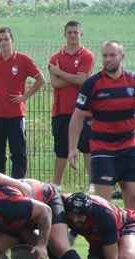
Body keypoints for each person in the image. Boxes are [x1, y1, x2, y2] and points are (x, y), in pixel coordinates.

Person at [69, 40, 135, 209]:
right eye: (105, 55)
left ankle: (129, 233)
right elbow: (78, 117)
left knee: (133, 198)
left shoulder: (132, 81)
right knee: (104, 205)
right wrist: (72, 148)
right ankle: (108, 234)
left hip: (129, 148)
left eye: (112, 55)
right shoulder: (92, 84)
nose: (108, 59)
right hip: (103, 149)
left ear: (122, 57)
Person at [0, 27, 45, 179]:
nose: (3, 42)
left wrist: (24, 96)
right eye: (0, 40)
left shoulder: (23, 60)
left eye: (6, 39)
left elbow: (41, 79)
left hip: (15, 113)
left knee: (18, 151)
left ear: (12, 40)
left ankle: (18, 182)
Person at [48, 21, 95, 191]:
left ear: (81, 34)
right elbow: (54, 84)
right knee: (61, 148)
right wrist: (71, 78)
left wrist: (60, 73)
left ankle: (93, 183)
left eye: (76, 32)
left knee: (87, 147)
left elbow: (83, 81)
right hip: (61, 110)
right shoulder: (55, 57)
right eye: (70, 32)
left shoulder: (87, 55)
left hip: (83, 110)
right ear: (65, 34)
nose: (73, 35)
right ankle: (56, 184)